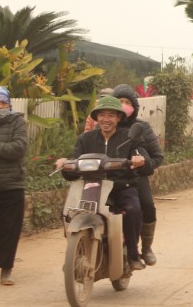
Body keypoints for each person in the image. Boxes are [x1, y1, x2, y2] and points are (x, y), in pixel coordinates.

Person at [56, 96, 150, 270]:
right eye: (102, 115)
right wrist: (65, 165)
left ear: (119, 118)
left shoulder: (130, 139)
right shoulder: (86, 139)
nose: (106, 119)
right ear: (96, 118)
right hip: (91, 187)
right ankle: (74, 252)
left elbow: (146, 163)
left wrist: (139, 160)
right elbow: (73, 172)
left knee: (133, 210)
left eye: (111, 115)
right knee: (68, 212)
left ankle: (132, 253)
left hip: (121, 187)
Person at [112, 84, 164, 266]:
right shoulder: (106, 124)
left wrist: (142, 165)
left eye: (127, 102)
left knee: (147, 205)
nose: (123, 105)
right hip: (106, 174)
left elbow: (157, 157)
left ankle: (146, 247)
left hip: (135, 175)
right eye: (120, 102)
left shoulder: (141, 128)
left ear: (134, 106)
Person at [0, 87, 29, 286]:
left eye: (3, 103)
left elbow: (19, 148)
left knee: (10, 229)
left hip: (12, 185)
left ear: (9, 104)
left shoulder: (17, 121)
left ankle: (6, 269)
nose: (0, 107)